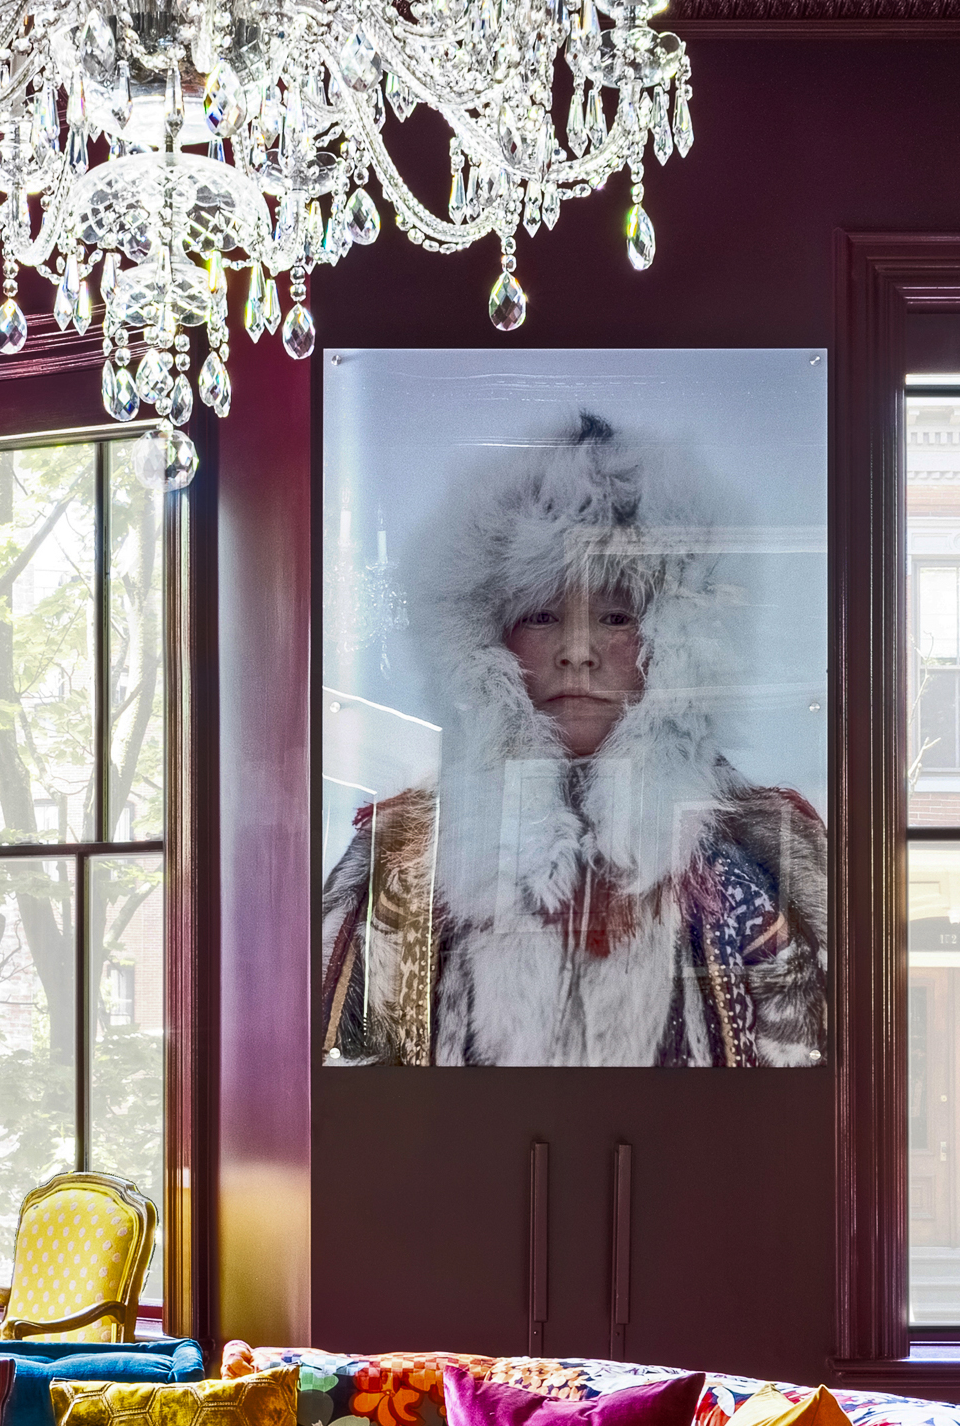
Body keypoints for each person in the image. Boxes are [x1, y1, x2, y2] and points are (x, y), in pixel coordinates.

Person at [317, 412, 826, 1066]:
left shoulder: (769, 860)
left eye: (616, 615)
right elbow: (344, 1107)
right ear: (482, 641)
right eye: (539, 615)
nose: (577, 651)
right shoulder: (399, 866)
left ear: (678, 641)